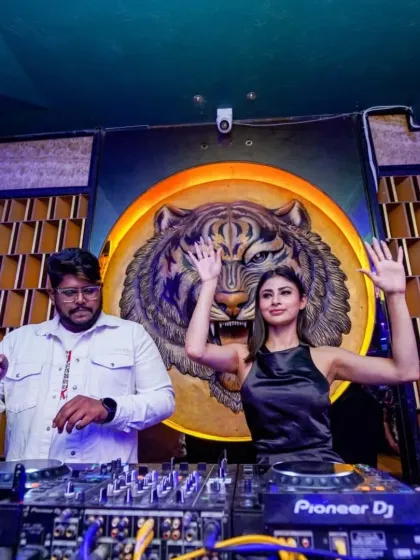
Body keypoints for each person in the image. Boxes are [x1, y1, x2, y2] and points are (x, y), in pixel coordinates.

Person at [185, 237, 419, 465]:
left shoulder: (327, 358)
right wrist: (209, 283)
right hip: (270, 475)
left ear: (302, 301)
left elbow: (405, 371)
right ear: (259, 305)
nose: (275, 300)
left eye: (285, 292)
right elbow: (196, 350)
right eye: (267, 295)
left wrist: (396, 295)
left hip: (323, 472)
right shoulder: (242, 357)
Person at [0, 248, 175, 464]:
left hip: (105, 480)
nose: (81, 300)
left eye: (90, 290)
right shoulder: (17, 342)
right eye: (69, 293)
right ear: (52, 294)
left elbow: (163, 401)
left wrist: (108, 408)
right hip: (27, 480)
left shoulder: (132, 335)